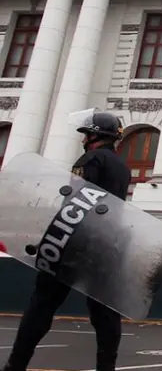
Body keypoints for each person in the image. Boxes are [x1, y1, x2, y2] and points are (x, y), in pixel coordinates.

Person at [3, 110, 131, 371]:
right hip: (105, 245)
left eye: (86, 134)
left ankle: (16, 365)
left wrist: (51, 235)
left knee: (42, 304)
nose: (83, 139)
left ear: (94, 135)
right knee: (105, 313)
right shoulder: (122, 167)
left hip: (74, 243)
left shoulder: (91, 159)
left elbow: (75, 202)